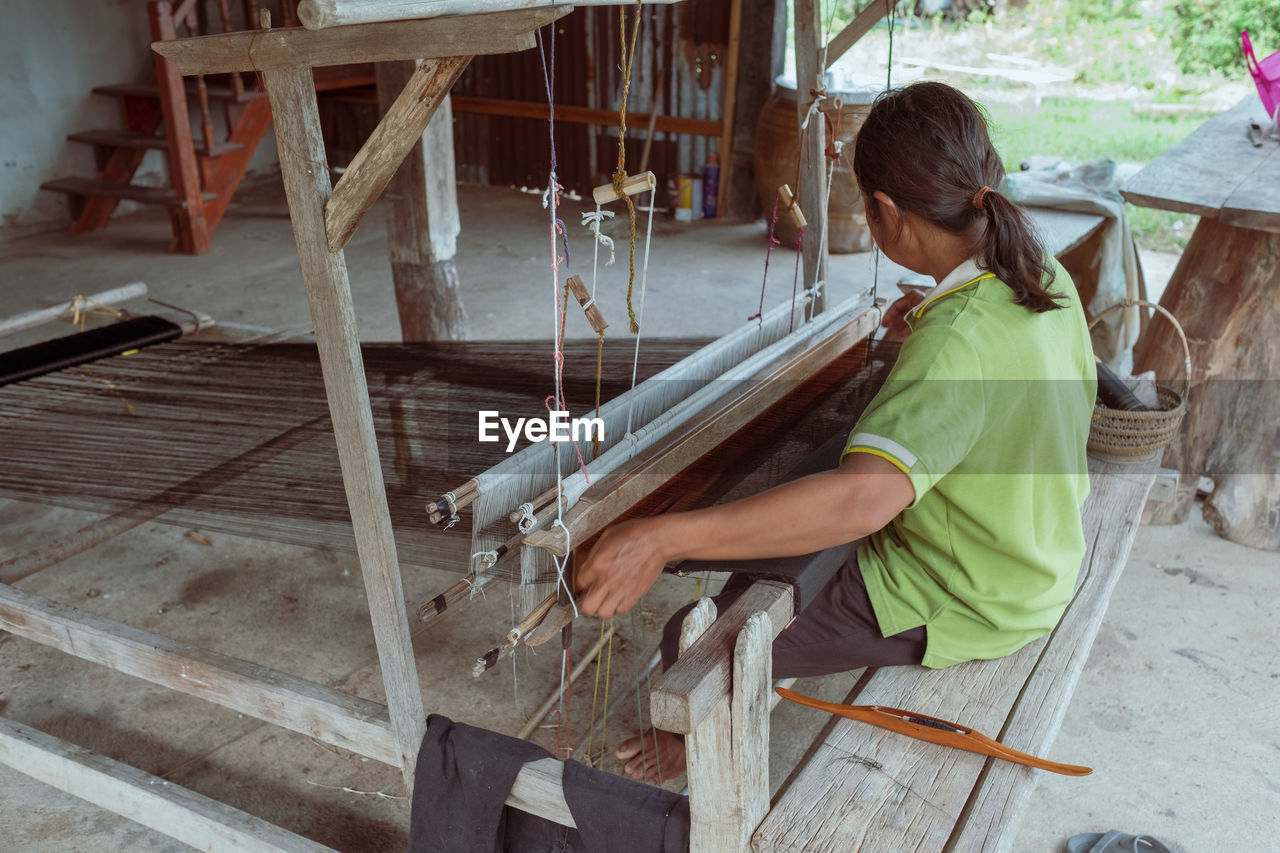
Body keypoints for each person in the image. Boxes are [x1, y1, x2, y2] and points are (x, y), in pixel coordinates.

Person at [575, 81, 1097, 784]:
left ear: (884, 211)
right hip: (1036, 551)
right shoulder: (1038, 273)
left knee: (694, 640)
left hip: (964, 591)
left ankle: (684, 752)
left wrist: (661, 535)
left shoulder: (955, 344)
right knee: (758, 560)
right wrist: (927, 319)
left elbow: (859, 503)